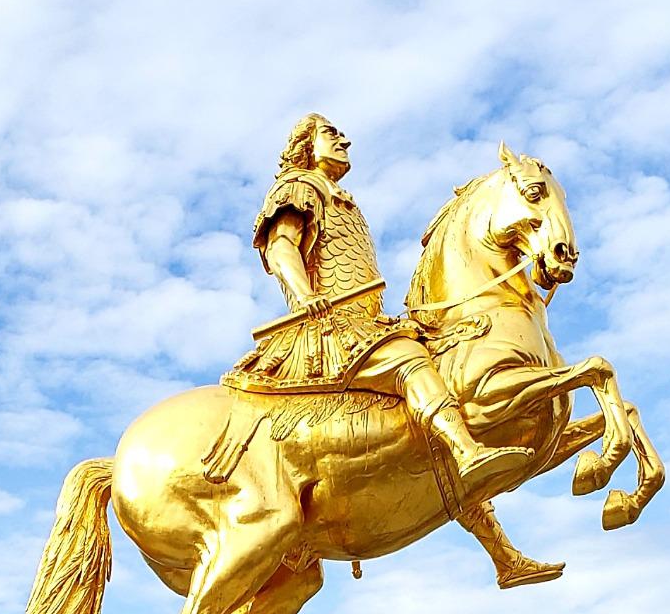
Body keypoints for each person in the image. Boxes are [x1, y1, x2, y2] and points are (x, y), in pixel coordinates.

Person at [227, 114, 530, 487]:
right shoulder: (298, 187)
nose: (344, 140)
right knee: (409, 359)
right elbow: (281, 246)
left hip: (365, 323)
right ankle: (466, 451)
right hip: (330, 327)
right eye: (331, 133)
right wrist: (307, 297)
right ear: (306, 146)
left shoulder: (340, 200)